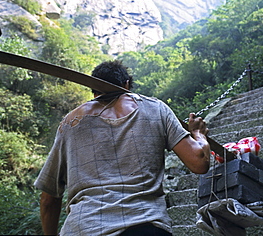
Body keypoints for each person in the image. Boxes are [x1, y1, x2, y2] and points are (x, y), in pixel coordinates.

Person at [34, 60, 210, 235]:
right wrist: (198, 134)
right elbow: (199, 162)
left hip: (83, 228)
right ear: (126, 84)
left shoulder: (70, 123)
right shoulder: (155, 109)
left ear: (93, 89)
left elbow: (48, 200)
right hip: (145, 226)